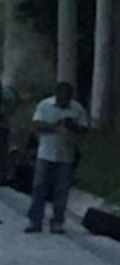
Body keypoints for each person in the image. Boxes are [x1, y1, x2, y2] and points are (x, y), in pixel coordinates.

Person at [26, 82, 90, 234]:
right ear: (56, 95)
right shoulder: (45, 105)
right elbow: (36, 124)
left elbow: (84, 129)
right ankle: (35, 220)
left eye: (67, 98)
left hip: (66, 155)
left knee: (61, 190)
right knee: (39, 187)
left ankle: (57, 221)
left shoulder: (77, 109)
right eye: (61, 98)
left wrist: (72, 126)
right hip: (45, 153)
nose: (64, 101)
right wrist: (54, 126)